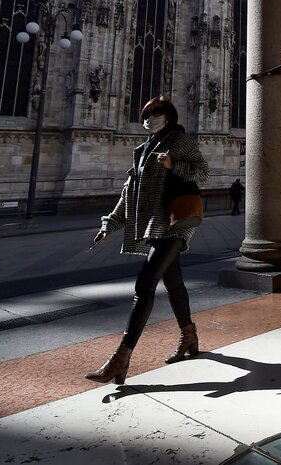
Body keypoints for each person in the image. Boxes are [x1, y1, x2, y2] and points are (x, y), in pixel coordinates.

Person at [85, 96, 209, 385]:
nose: (148, 118)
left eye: (154, 113)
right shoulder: (142, 150)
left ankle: (121, 357)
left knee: (145, 285)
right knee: (174, 283)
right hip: (154, 226)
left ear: (167, 116)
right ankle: (189, 337)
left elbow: (202, 172)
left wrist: (173, 164)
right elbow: (129, 193)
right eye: (145, 114)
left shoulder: (179, 142)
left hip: (174, 224)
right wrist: (109, 224)